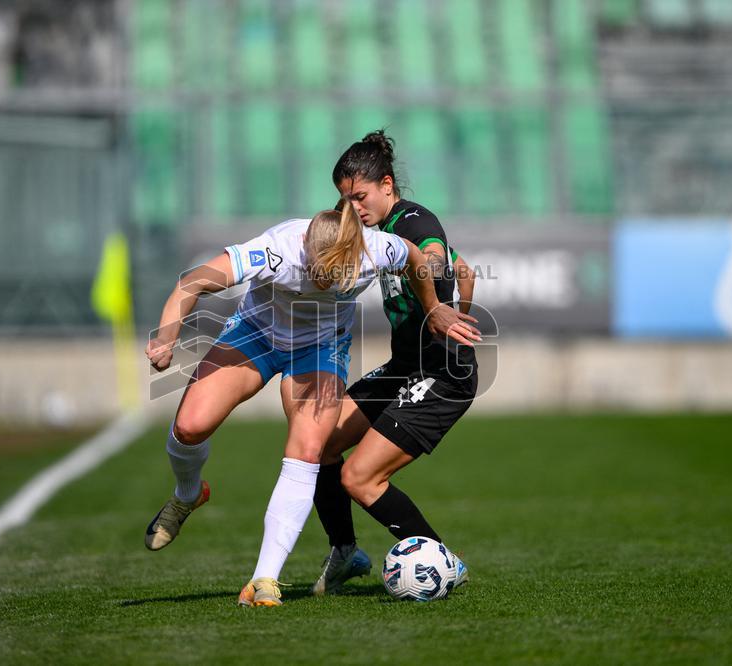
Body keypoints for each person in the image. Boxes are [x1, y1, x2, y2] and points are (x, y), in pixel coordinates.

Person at [143, 205, 480, 607]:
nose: (329, 284)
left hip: (319, 348)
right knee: (190, 427)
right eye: (322, 275)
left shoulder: (376, 247)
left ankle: (264, 579)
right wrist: (166, 337)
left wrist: (434, 308)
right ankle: (188, 494)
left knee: (308, 449)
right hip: (257, 334)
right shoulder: (275, 250)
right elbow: (192, 283)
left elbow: (412, 256)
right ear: (307, 251)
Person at [311, 131, 480, 595]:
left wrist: (436, 307)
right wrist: (455, 309)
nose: (353, 208)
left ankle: (443, 564)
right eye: (345, 200)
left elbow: (433, 258)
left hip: (441, 374)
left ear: (387, 184)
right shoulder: (373, 231)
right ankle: (345, 553)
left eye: (360, 197)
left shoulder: (412, 221)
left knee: (359, 477)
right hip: (405, 366)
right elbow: (465, 271)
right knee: (321, 440)